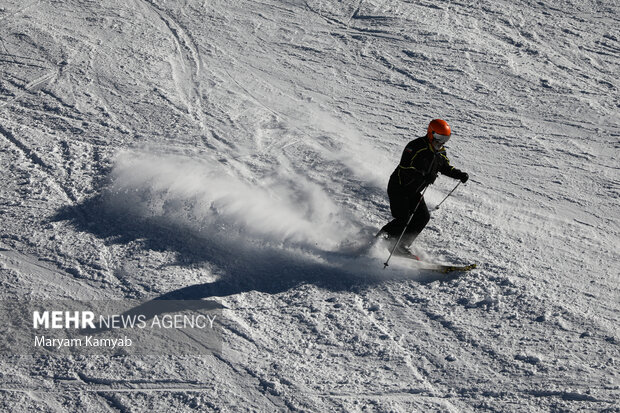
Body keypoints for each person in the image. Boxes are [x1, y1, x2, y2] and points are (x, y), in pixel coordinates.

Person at [378, 119, 469, 258]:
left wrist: (459, 174)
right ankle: (379, 241)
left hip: (414, 191)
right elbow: (404, 167)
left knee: (423, 217)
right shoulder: (415, 146)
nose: (442, 142)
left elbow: (445, 167)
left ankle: (401, 244)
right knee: (403, 218)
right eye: (439, 138)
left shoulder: (441, 151)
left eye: (446, 138)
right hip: (399, 187)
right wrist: (423, 176)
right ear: (431, 133)